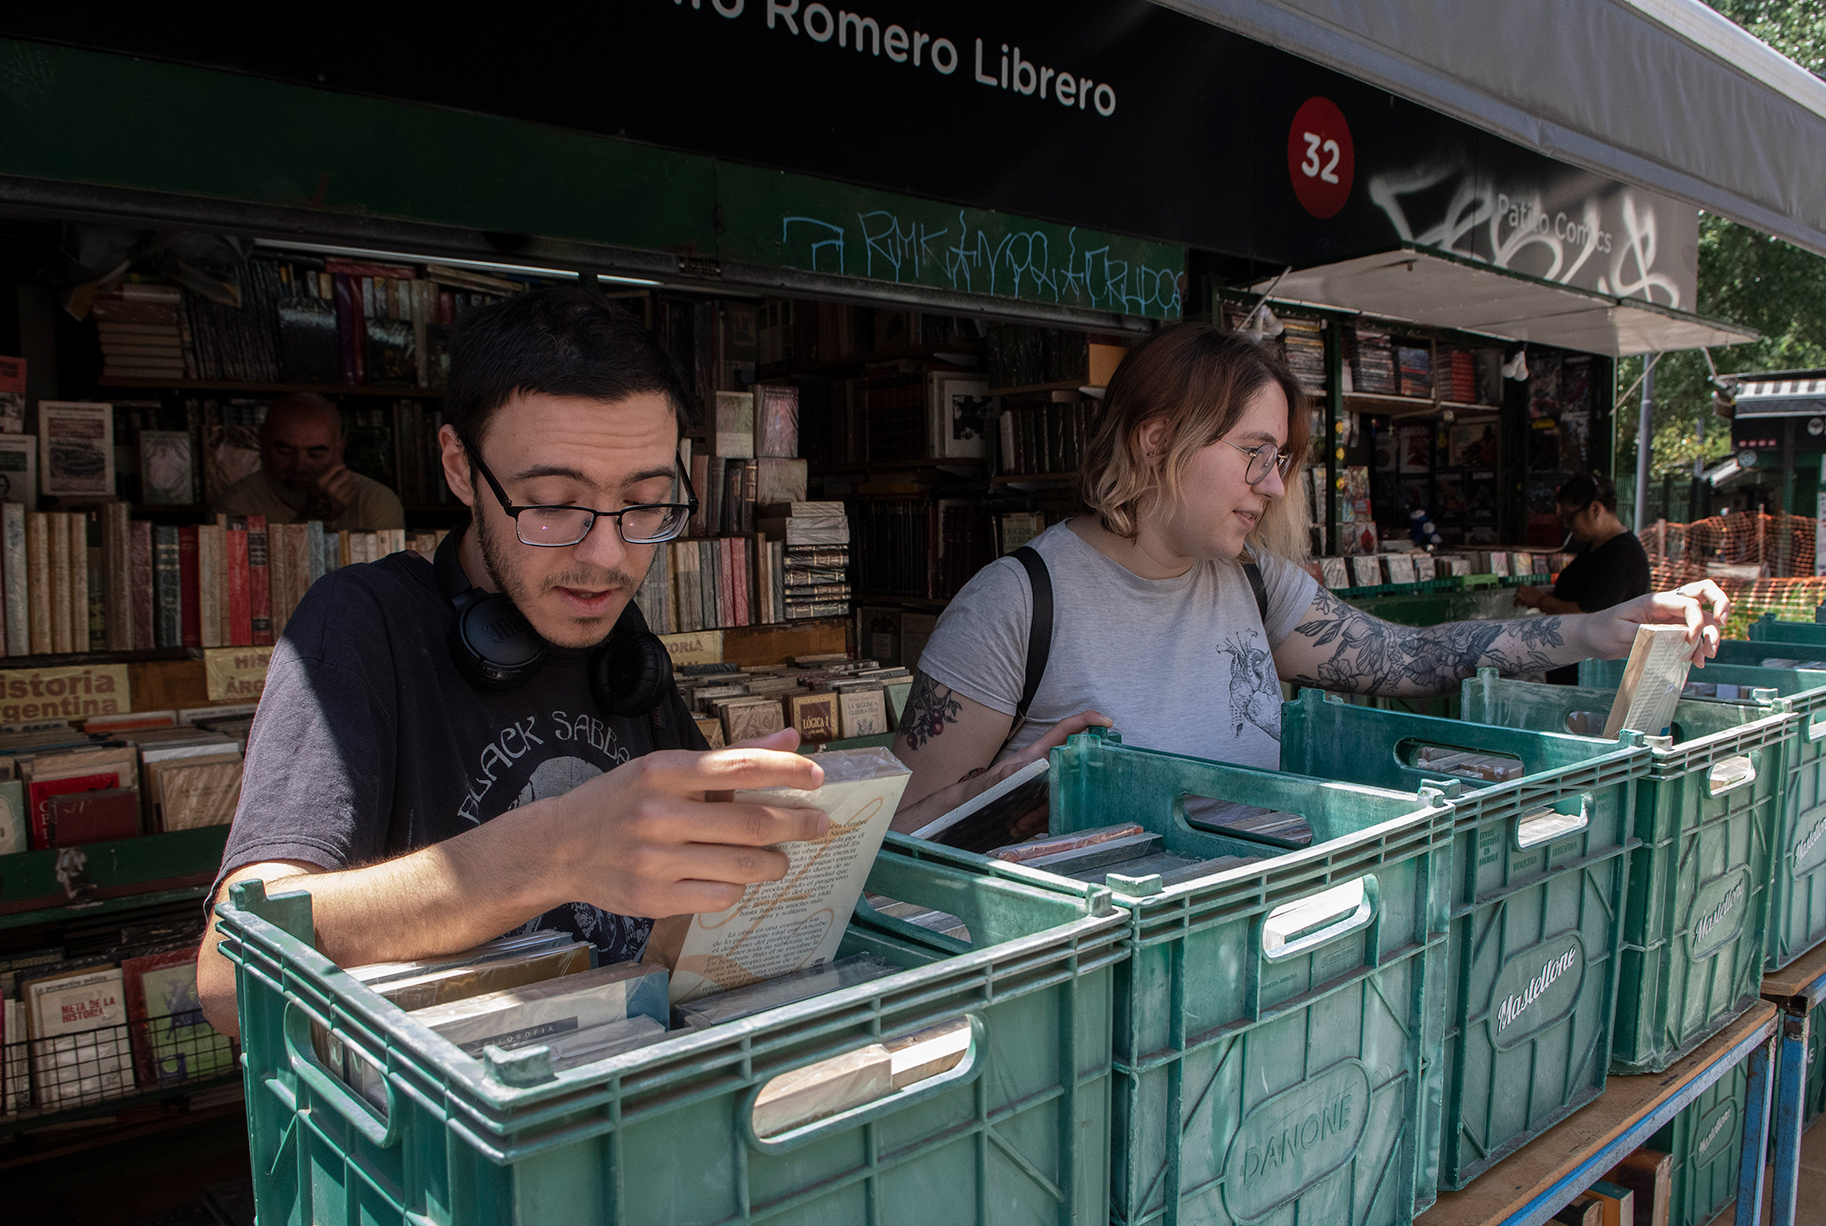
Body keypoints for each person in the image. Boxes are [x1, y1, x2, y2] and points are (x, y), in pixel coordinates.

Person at [193, 289, 829, 1038]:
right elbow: (230, 974)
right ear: (461, 469)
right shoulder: (361, 624)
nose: (606, 556)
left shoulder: (623, 647)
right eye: (554, 502)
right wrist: (555, 851)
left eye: (646, 502)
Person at [892, 324, 1727, 815]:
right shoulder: (1016, 603)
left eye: (1281, 458)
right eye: (1253, 452)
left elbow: (1407, 659)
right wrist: (1014, 784)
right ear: (1156, 441)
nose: (1271, 484)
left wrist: (1592, 628)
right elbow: (902, 832)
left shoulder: (1252, 582)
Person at [1514, 473, 1653, 684]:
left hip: (1593, 675)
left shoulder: (1620, 555)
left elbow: (1589, 612)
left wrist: (1540, 601)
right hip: (1572, 667)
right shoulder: (1596, 546)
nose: (1568, 526)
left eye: (1571, 517)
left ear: (1595, 509)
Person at [215, 391, 407, 531]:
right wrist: (315, 516)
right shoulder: (235, 506)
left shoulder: (374, 501)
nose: (299, 465)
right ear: (262, 442)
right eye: (285, 450)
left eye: (316, 453)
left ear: (340, 450)